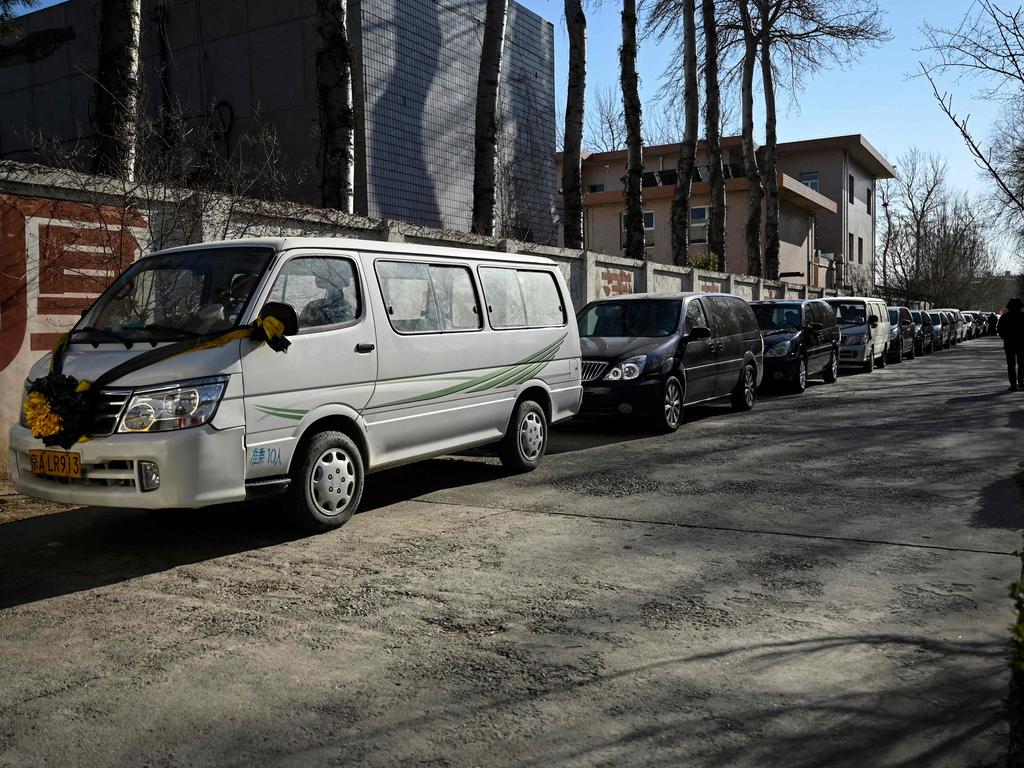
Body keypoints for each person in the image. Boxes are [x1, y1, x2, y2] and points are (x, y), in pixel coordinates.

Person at [997, 297, 1024, 391]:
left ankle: (1013, 384)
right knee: (1022, 364)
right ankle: (1021, 383)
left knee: (1011, 365)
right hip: (1022, 344)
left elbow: (999, 330)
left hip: (1009, 344)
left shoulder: (1005, 317)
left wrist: (1005, 337)